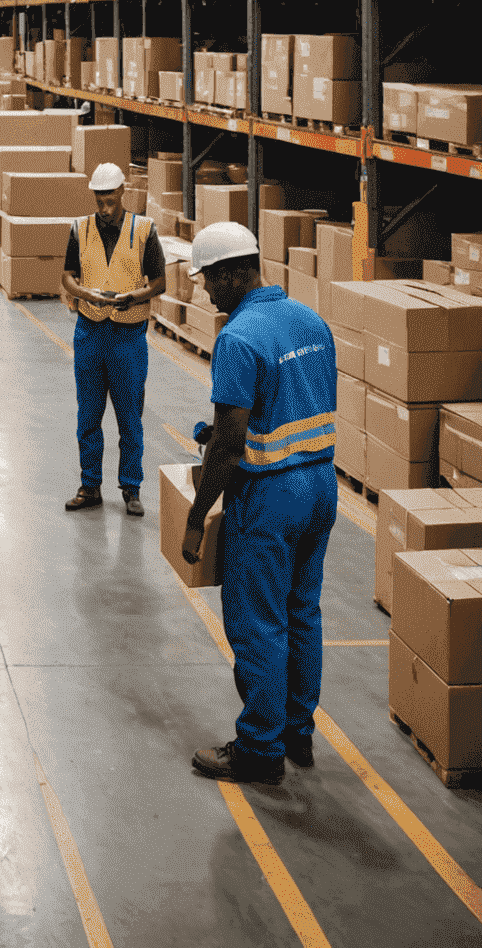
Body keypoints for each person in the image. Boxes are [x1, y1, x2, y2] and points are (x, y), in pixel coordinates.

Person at [181, 221, 338, 785]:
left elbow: (230, 442)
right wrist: (223, 428)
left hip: (270, 499)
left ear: (233, 274)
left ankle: (259, 750)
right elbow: (290, 405)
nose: (203, 290)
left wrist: (198, 516)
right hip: (321, 486)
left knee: (259, 622)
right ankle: (298, 733)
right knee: (302, 612)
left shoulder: (239, 337)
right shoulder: (311, 321)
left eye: (208, 280)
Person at [60, 160, 167, 516]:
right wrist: (85, 294)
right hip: (90, 331)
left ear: (123, 193)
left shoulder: (144, 230)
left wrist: (133, 297)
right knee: (88, 415)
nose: (104, 208)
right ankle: (90, 485)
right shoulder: (80, 228)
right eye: (99, 200)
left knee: (129, 417)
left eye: (110, 200)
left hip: (128, 336)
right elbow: (68, 276)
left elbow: (159, 282)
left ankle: (131, 488)